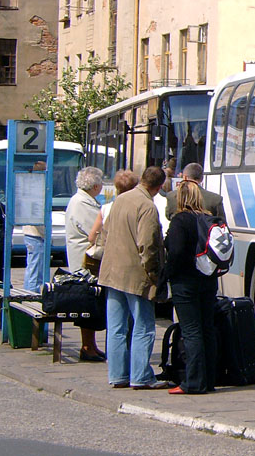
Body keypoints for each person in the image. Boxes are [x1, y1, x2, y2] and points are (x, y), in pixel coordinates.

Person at [99, 166, 169, 390]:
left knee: (117, 326)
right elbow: (147, 244)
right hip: (135, 274)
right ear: (158, 187)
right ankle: (140, 376)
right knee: (143, 325)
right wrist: (154, 273)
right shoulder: (147, 206)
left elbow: (105, 231)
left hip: (112, 271)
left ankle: (117, 374)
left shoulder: (121, 199)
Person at [163, 180, 218, 394]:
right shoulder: (208, 219)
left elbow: (176, 252)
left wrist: (169, 273)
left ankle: (193, 382)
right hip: (208, 279)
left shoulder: (180, 221)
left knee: (191, 331)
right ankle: (209, 379)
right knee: (207, 329)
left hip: (185, 282)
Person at [64, 166, 106, 361]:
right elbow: (95, 230)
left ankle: (91, 345)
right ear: (96, 185)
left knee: (91, 303)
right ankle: (87, 346)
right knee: (88, 304)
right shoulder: (83, 203)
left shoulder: (82, 199)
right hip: (85, 261)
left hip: (83, 258)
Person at [87, 170, 139, 275]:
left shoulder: (106, 208)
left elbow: (92, 237)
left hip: (110, 261)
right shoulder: (140, 208)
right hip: (132, 261)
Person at [22, 161, 48, 293]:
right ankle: (32, 294)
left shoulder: (28, 188)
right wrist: (46, 233)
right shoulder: (38, 190)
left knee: (32, 267)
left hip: (29, 233)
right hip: (36, 234)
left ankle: (28, 291)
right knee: (36, 269)